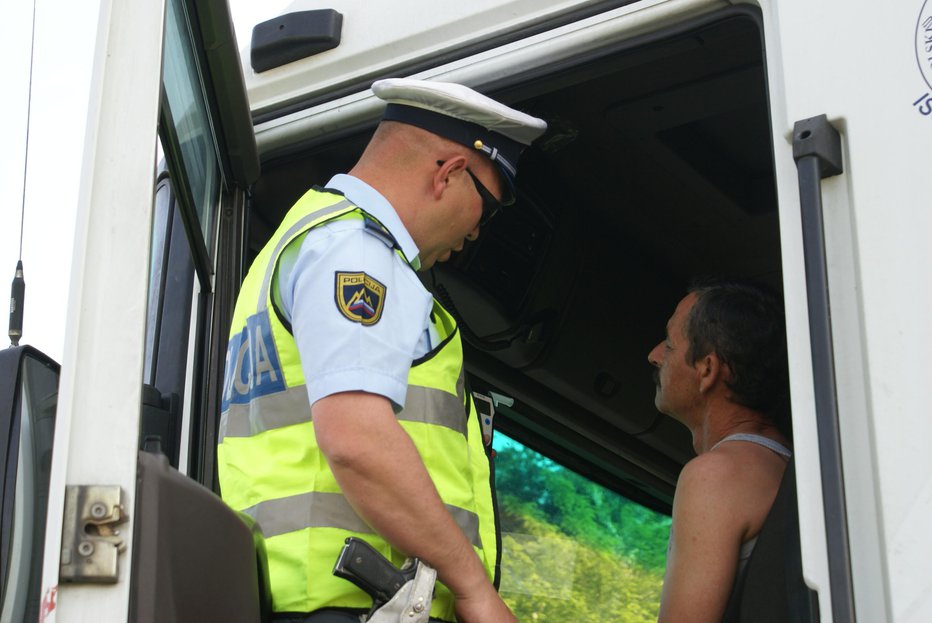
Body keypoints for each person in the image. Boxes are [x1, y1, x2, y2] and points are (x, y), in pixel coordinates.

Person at [217, 78, 547, 623]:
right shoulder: (358, 252)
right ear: (449, 172)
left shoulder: (302, 239)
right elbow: (356, 438)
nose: (475, 234)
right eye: (485, 210)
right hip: (351, 606)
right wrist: (473, 589)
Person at [647, 279, 791, 623]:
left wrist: (488, 602)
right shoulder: (781, 463)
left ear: (707, 370)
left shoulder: (716, 475)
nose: (653, 355)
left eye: (668, 344)